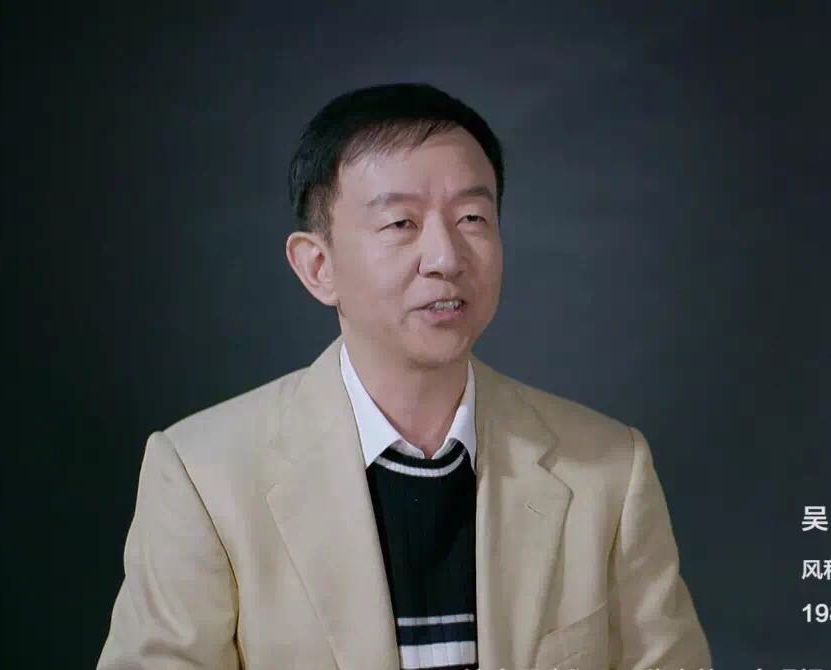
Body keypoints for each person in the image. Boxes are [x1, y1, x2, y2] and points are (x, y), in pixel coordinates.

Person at [96, 83, 711, 670]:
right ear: (318, 266)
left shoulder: (608, 468)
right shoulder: (204, 474)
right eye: (401, 224)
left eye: (472, 218)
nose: (446, 258)